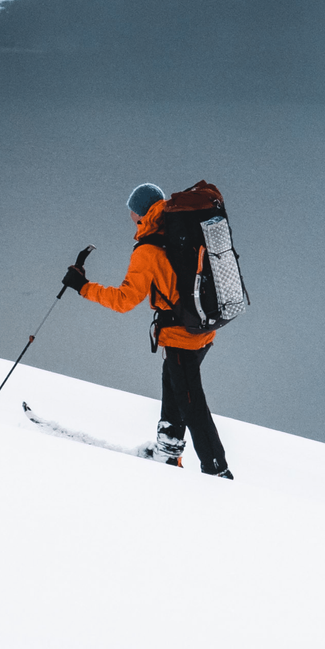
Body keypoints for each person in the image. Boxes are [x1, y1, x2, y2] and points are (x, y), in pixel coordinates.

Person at [64, 181, 233, 478]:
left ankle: (217, 471)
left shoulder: (149, 249)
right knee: (175, 391)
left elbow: (124, 300)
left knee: (191, 403)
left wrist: (83, 287)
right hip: (203, 329)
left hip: (182, 337)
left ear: (139, 213)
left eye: (131, 211)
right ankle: (167, 454)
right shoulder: (180, 231)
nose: (129, 216)